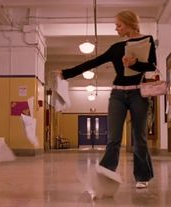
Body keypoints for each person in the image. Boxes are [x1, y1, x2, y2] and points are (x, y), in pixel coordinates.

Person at [60, 10, 156, 189]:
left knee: (139, 137)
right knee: (114, 138)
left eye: (119, 25)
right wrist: (67, 73)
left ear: (129, 24)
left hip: (138, 94)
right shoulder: (116, 48)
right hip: (118, 94)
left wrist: (134, 64)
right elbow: (93, 62)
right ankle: (105, 173)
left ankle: (142, 176)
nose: (116, 29)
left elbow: (151, 65)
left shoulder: (147, 41)